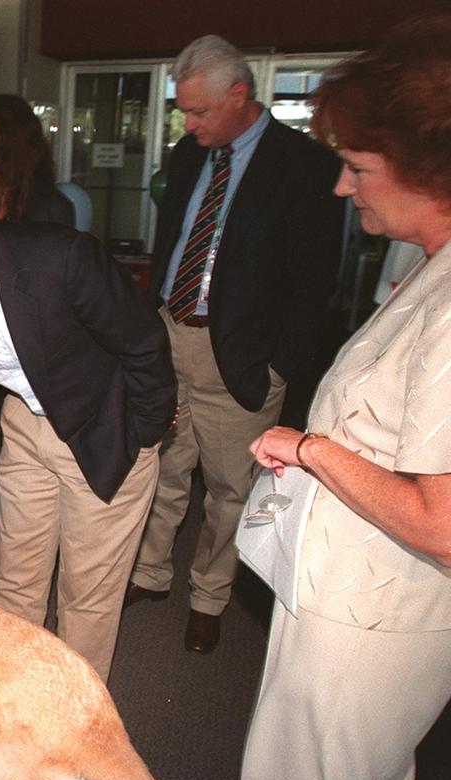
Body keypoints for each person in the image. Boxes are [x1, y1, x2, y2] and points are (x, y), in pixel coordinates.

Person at [240, 19, 451, 780]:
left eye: (360, 167)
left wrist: (310, 449)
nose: (341, 187)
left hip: (371, 621)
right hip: (372, 601)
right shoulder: (427, 263)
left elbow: (441, 518)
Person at [0, 174, 176, 681]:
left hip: (102, 426)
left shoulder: (60, 259)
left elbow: (145, 342)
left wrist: (145, 432)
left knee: (86, 595)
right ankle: (12, 695)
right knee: (16, 580)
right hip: (24, 425)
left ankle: (71, 724)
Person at [126, 34, 344, 654]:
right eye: (183, 112)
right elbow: (169, 244)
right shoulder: (189, 154)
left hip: (243, 355)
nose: (188, 124)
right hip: (173, 336)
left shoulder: (306, 166)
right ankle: (150, 572)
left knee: (229, 486)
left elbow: (315, 287)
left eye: (199, 111)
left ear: (239, 95)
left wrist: (279, 367)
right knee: (166, 466)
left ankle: (209, 596)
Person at [0, 93, 75, 594]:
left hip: (27, 358)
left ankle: (18, 545)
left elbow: (59, 290)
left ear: (13, 139)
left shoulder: (52, 206)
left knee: (19, 461)